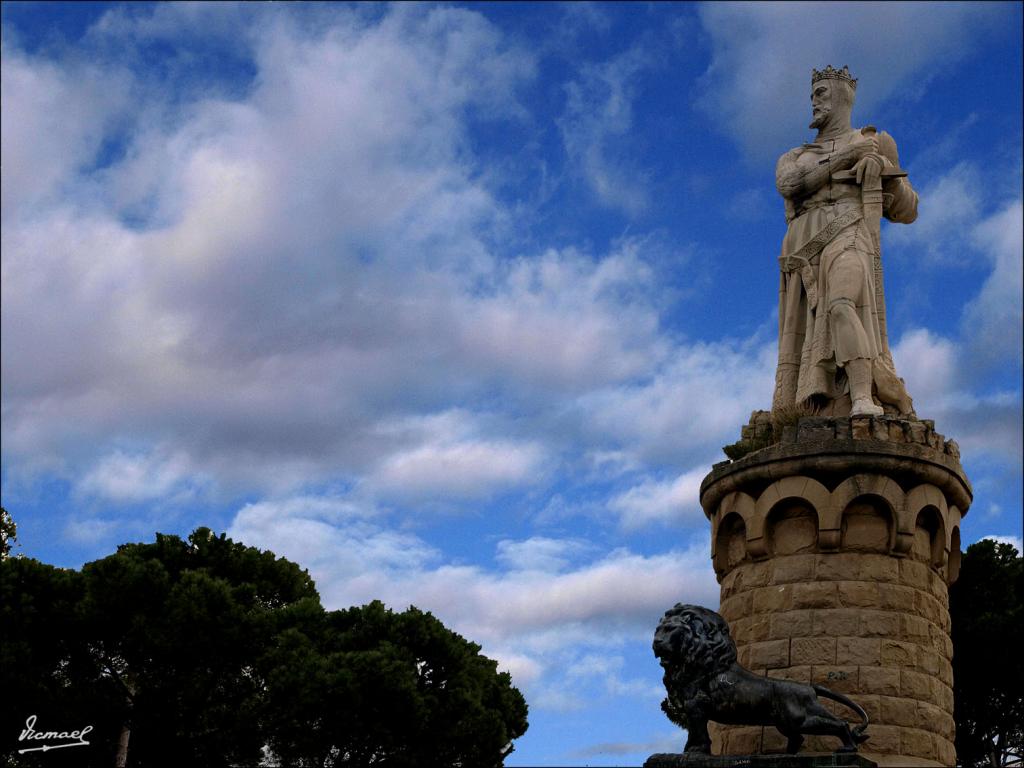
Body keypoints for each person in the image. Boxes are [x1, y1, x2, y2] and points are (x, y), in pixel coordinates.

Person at [772, 65, 917, 418]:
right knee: (804, 335)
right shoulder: (794, 155)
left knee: (841, 303)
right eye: (812, 94)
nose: (814, 101)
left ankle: (863, 396)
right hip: (804, 249)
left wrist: (886, 174)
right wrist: (849, 157)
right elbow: (790, 185)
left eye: (821, 93)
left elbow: (907, 211)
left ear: (841, 97)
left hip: (850, 231)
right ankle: (809, 408)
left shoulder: (872, 144)